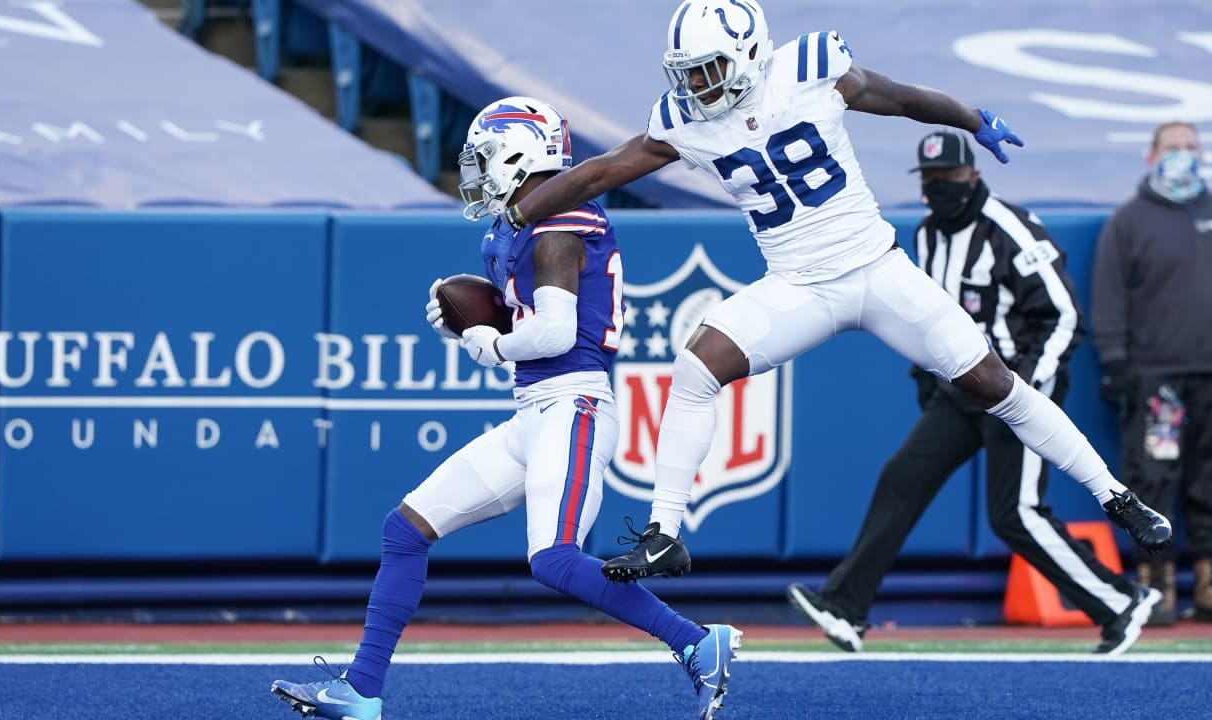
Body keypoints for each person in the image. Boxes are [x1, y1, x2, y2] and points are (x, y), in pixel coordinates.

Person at [496, 0, 1173, 582]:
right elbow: (599, 174)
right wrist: (519, 212)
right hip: (796, 285)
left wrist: (972, 118)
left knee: (999, 386)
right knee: (696, 368)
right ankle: (664, 532)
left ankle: (1116, 497)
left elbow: (903, 98)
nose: (699, 86)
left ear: (753, 55)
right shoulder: (684, 119)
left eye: (710, 70)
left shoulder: (808, 69)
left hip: (878, 271)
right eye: (689, 73)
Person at [269, 96, 741, 720]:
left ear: (524, 153)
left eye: (485, 157)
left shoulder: (558, 220)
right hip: (536, 414)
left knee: (553, 560)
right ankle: (361, 691)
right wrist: (474, 320)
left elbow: (553, 334)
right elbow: (522, 313)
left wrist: (486, 342)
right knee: (404, 531)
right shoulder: (525, 222)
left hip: (573, 407)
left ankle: (697, 642)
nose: (477, 172)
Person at [786, 129, 1162, 656]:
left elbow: (1062, 315)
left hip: (1016, 386)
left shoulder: (1011, 230)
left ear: (974, 174)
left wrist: (1026, 389)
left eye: (950, 176)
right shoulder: (926, 235)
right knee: (903, 479)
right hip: (959, 387)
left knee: (1016, 513)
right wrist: (925, 378)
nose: (941, 186)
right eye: (932, 178)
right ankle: (845, 606)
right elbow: (920, 317)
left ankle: (1120, 600)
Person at [1092, 120, 1212, 625]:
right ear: (1151, 156)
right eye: (1172, 147)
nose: (1182, 155)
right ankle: (1155, 576)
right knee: (1154, 475)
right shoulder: (1130, 221)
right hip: (1157, 379)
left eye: (1191, 147)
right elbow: (1109, 297)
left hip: (1210, 375)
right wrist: (1115, 360)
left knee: (1209, 476)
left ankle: (1207, 577)